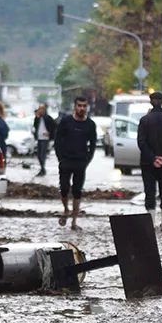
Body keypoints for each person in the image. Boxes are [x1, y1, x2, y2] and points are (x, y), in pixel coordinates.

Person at [137, 91, 162, 230]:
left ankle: (151, 222)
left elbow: (141, 142)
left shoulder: (144, 120)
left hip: (148, 162)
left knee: (150, 191)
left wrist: (152, 157)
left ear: (151, 101)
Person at [54, 96, 97, 230]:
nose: (82, 108)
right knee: (64, 189)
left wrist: (87, 160)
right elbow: (57, 140)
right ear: (75, 106)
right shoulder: (66, 121)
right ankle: (66, 209)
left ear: (87, 107)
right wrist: (60, 157)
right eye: (79, 106)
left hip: (80, 161)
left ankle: (74, 221)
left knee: (77, 191)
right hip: (66, 160)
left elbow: (93, 144)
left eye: (84, 106)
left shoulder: (90, 124)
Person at [32, 103, 57, 176]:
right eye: (39, 108)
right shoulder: (38, 118)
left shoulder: (48, 118)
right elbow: (35, 126)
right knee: (39, 154)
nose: (40, 110)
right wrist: (36, 117)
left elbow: (54, 126)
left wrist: (49, 132)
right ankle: (42, 168)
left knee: (42, 154)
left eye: (41, 109)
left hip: (45, 138)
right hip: (39, 138)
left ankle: (42, 169)